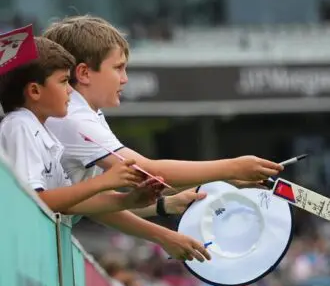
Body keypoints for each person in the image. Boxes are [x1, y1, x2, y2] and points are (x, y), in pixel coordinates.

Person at [43, 15, 283, 219]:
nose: (124, 78)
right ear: (84, 72)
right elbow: (147, 171)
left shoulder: (88, 112)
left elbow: (95, 200)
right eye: (118, 68)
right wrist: (233, 167)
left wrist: (223, 179)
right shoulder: (74, 118)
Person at [0, 32, 211, 262]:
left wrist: (129, 201)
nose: (70, 89)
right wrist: (105, 182)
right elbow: (36, 201)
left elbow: (72, 204)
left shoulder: (41, 131)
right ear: (34, 91)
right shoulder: (19, 125)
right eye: (63, 81)